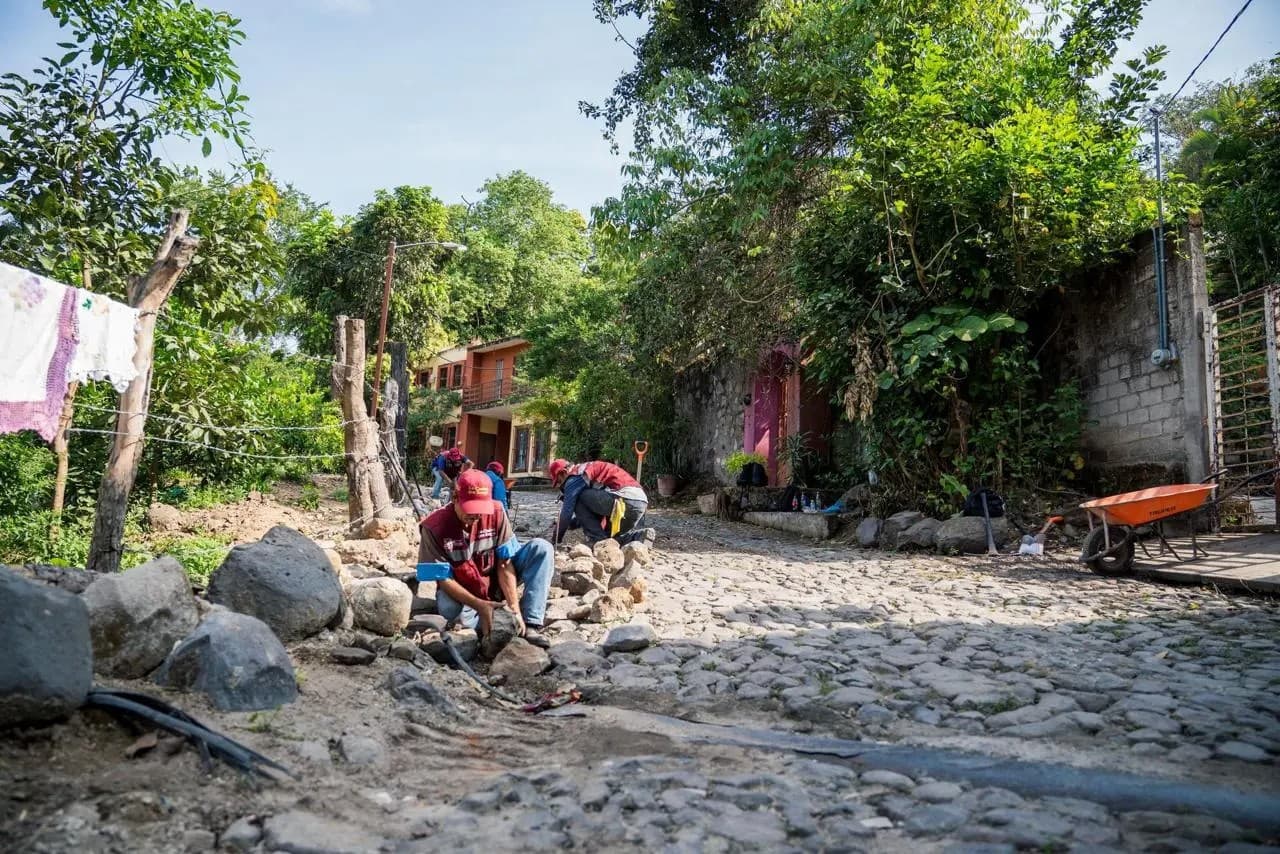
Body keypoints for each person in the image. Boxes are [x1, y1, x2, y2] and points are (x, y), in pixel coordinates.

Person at [418, 469, 552, 647]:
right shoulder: (434, 527)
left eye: (480, 510)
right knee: (449, 610)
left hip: (495, 580)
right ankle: (479, 623)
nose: (475, 516)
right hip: (462, 587)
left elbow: (505, 564)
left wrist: (514, 609)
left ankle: (532, 623)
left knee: (542, 548)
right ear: (455, 498)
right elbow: (443, 579)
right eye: (470, 510)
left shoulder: (496, 512)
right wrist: (479, 605)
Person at [548, 458, 655, 546]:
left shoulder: (574, 477)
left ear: (563, 473)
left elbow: (567, 513)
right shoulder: (585, 471)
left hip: (624, 499)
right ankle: (638, 537)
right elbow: (588, 516)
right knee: (609, 541)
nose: (560, 486)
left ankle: (596, 540)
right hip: (639, 504)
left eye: (559, 481)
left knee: (579, 498)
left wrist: (555, 539)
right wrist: (569, 524)